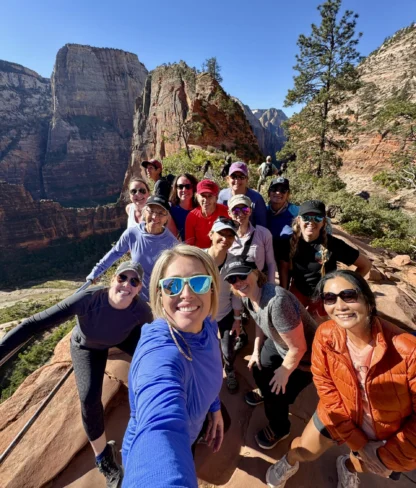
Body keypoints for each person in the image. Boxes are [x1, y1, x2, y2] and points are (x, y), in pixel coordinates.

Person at [0, 262, 153, 488]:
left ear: (139, 288)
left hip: (121, 338)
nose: (126, 285)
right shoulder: (89, 299)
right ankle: (104, 458)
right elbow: (34, 323)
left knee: (155, 364)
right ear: (113, 280)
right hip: (87, 347)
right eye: (122, 278)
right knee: (89, 399)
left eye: (134, 282)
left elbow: (154, 337)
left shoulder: (141, 311)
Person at [266, 269, 416, 488]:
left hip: (385, 430)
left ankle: (347, 466)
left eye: (349, 295)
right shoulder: (326, 335)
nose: (340, 305)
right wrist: (359, 442)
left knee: (372, 464)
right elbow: (324, 384)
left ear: (368, 300)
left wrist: (390, 452)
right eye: (330, 298)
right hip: (337, 412)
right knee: (304, 451)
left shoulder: (408, 351)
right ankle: (289, 461)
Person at [122, 245, 224, 488]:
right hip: (152, 452)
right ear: (159, 293)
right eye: (173, 285)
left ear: (212, 288)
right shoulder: (159, 353)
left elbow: (207, 367)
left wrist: (215, 407)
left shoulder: (207, 325)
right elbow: (160, 427)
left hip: (193, 429)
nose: (187, 294)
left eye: (198, 282)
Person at [224, 256, 317, 450]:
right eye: (233, 279)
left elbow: (299, 348)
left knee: (277, 394)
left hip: (305, 358)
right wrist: (257, 349)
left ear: (256, 273)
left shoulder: (277, 303)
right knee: (260, 368)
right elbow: (260, 321)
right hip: (280, 343)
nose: (238, 282)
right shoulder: (249, 297)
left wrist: (284, 372)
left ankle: (280, 427)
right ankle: (266, 391)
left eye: (242, 275)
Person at [278, 200, 372, 314]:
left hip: (325, 295)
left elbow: (365, 265)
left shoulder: (334, 244)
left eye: (317, 218)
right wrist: (284, 294)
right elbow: (284, 270)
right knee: (289, 319)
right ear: (299, 220)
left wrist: (347, 286)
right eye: (306, 217)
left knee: (318, 328)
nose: (311, 222)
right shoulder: (288, 243)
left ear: (323, 222)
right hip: (298, 290)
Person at [87, 195, 179, 301]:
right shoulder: (132, 234)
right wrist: (96, 272)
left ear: (167, 217)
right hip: (135, 299)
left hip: (159, 301)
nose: (154, 216)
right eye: (151, 211)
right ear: (144, 212)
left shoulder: (172, 243)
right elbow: (116, 253)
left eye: (161, 213)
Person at [206, 218, 243, 392]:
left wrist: (237, 319)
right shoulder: (198, 258)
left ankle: (229, 369)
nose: (225, 239)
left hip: (225, 313)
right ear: (211, 235)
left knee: (227, 350)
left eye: (230, 235)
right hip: (202, 315)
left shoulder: (234, 262)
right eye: (221, 234)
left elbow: (236, 293)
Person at [228, 194, 276, 283]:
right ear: (229, 213)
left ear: (250, 211)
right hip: (232, 284)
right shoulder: (224, 236)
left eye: (245, 210)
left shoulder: (264, 233)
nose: (241, 214)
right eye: (236, 210)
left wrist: (271, 286)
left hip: (257, 285)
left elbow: (270, 263)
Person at [218, 161, 267, 228]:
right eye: (233, 176)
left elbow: (261, 227)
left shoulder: (257, 199)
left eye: (241, 177)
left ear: (247, 180)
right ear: (228, 179)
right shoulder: (222, 196)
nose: (237, 180)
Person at [185, 179, 229, 248]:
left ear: (216, 197)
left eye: (210, 196)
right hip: (200, 254)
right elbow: (190, 244)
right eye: (203, 195)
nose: (206, 200)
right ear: (197, 196)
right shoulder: (192, 216)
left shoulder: (226, 212)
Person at [168, 173, 198, 241]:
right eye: (180, 186)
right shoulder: (170, 209)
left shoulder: (200, 209)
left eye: (188, 186)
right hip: (180, 248)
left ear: (193, 188)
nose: (184, 190)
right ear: (176, 189)